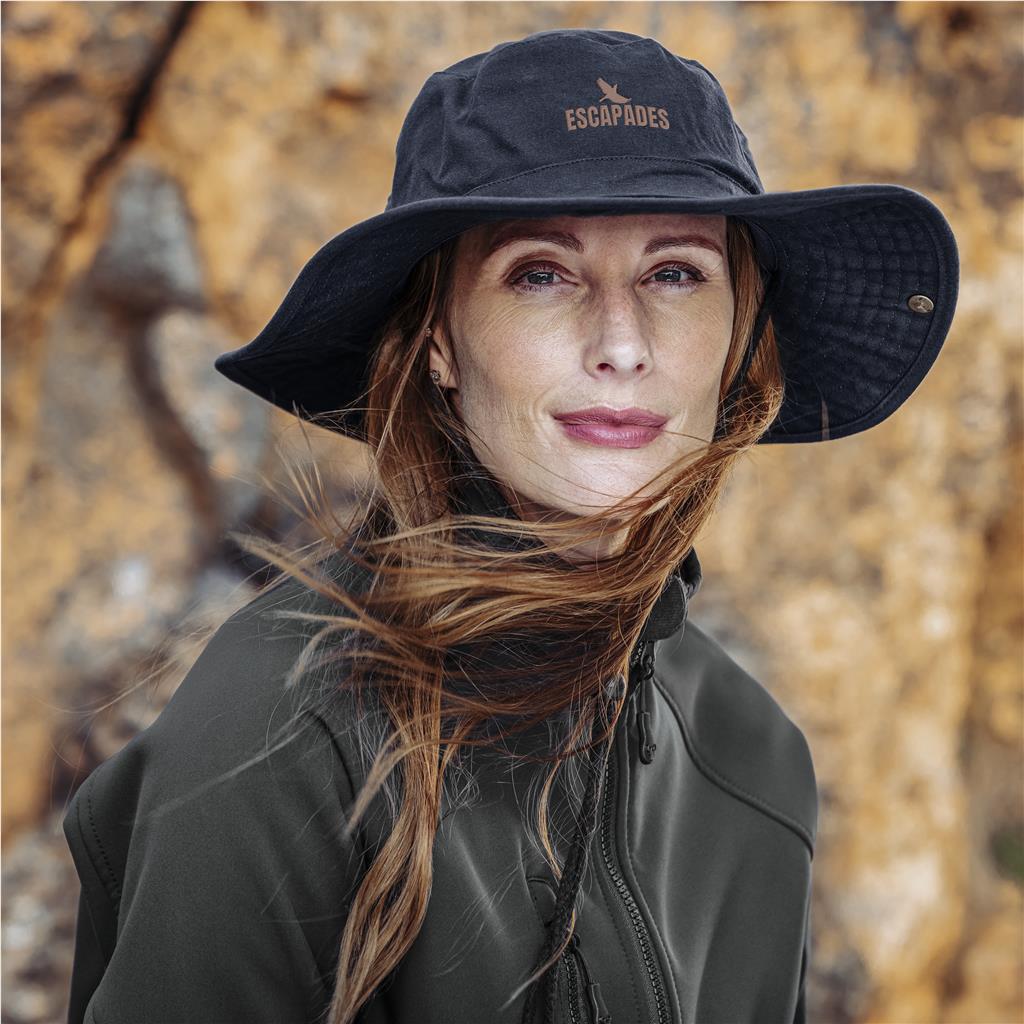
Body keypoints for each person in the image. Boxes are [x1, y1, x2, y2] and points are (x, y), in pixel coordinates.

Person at [61, 26, 959, 1024]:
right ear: (439, 341)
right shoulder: (285, 724)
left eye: (675, 273)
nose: (621, 344)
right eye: (541, 272)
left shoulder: (754, 758)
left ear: (739, 331)